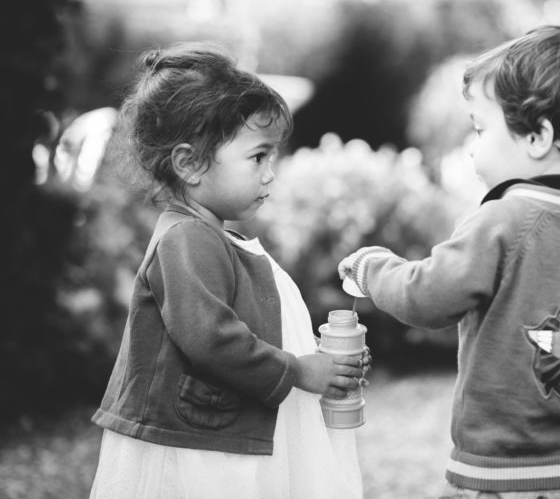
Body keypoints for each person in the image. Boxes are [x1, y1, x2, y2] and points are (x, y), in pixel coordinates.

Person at [338, 25, 560, 499]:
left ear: (538, 136)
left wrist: (372, 269)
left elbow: (427, 297)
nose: (473, 146)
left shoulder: (504, 219)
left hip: (506, 471)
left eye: (480, 129)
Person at [90, 43, 368, 499]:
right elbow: (213, 339)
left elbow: (249, 325)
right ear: (190, 163)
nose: (270, 172)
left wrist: (321, 359)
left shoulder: (215, 238)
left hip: (216, 437)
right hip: (194, 445)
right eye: (258, 156)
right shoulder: (187, 240)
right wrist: (298, 370)